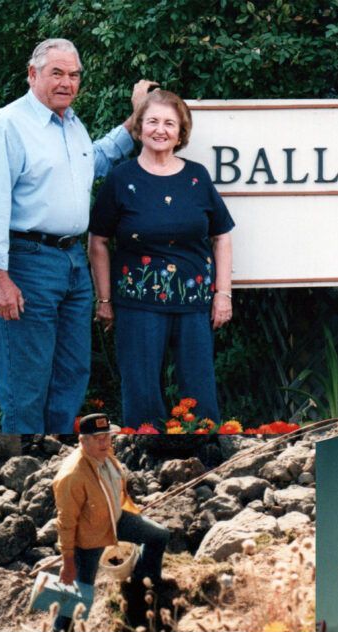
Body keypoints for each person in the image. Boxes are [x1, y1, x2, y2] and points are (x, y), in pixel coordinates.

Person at [0, 38, 154, 433]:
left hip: (73, 262)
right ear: (33, 74)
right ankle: (21, 473)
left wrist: (136, 117)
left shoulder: (71, 124)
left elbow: (97, 158)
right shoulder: (8, 126)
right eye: (57, 73)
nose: (67, 82)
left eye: (74, 75)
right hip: (27, 262)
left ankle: (55, 463)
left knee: (72, 373)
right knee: (27, 381)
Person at [88, 89, 235, 430]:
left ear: (181, 132)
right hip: (138, 304)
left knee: (199, 392)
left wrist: (222, 294)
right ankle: (147, 456)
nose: (160, 129)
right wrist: (105, 299)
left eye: (169, 123)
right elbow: (98, 241)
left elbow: (222, 236)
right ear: (139, 128)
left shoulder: (196, 177)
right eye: (152, 121)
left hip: (194, 302)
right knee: (141, 393)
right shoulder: (121, 178)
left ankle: (206, 454)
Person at [51, 412, 170, 631]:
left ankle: (142, 586)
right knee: (80, 591)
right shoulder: (71, 476)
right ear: (82, 440)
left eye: (107, 436)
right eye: (98, 438)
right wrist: (68, 562)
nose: (105, 442)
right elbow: (65, 523)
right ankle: (59, 631)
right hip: (87, 540)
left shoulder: (105, 452)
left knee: (159, 535)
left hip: (117, 520)